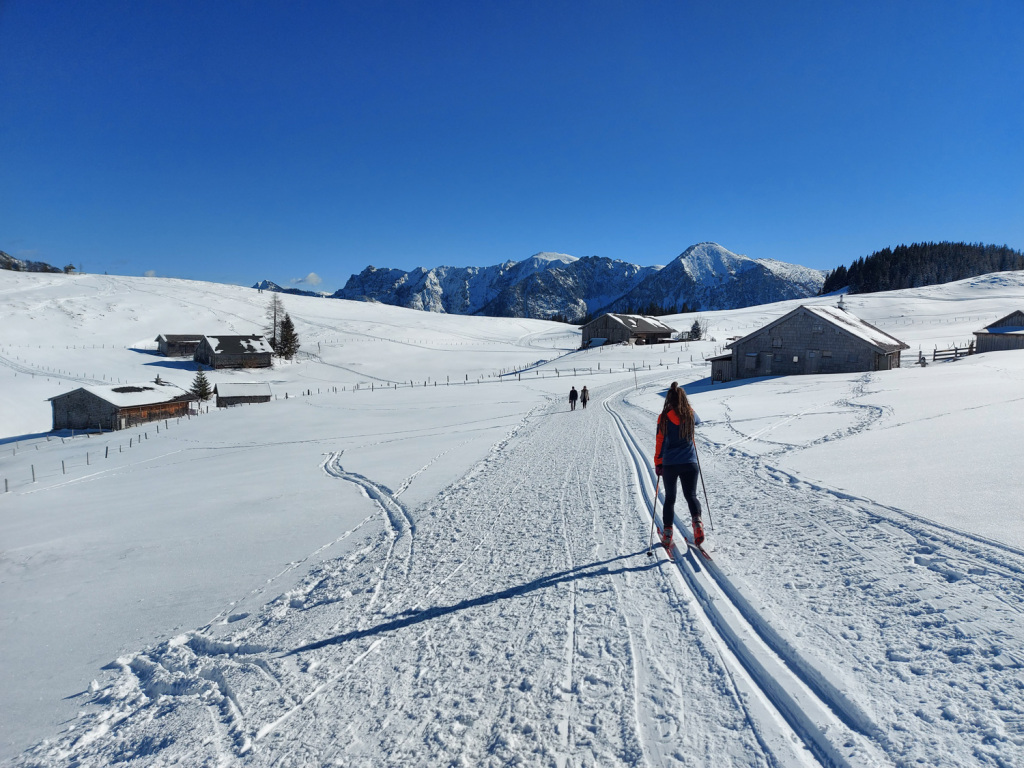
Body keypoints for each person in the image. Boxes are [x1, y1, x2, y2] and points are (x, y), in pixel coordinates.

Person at [653, 381, 704, 549]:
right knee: (691, 495)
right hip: (690, 462)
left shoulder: (664, 417)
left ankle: (667, 533)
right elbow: (698, 421)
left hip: (670, 464)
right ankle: (697, 523)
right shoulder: (690, 413)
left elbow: (660, 441)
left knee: (670, 499)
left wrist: (658, 463)